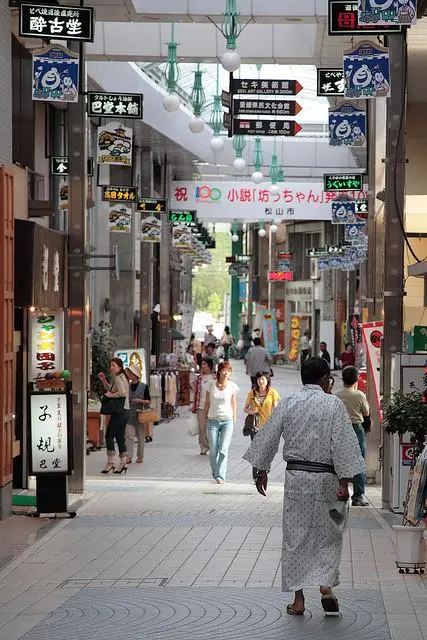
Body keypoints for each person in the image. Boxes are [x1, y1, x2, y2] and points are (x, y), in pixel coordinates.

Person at [243, 357, 364, 616]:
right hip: (329, 481)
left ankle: (298, 601)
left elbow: (268, 436)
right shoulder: (333, 405)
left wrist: (261, 471)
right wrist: (345, 483)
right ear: (325, 380)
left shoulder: (289, 402)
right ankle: (325, 586)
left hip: (297, 480)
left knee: (295, 538)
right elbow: (343, 444)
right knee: (330, 535)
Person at [335, 366, 370, 507]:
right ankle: (358, 496)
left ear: (343, 379)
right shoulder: (359, 395)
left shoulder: (336, 395)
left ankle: (340, 491)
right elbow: (366, 415)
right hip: (356, 429)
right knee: (359, 462)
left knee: (339, 461)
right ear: (356, 379)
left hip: (341, 430)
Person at [203, 361, 239, 484]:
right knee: (213, 450)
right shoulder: (210, 385)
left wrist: (234, 418)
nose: (226, 373)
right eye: (224, 370)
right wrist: (203, 417)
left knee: (223, 449)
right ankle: (215, 471)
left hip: (227, 421)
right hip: (213, 420)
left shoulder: (232, 386)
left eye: (228, 371)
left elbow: (233, 403)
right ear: (219, 371)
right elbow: (207, 402)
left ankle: (221, 475)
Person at [244, 371, 281, 480]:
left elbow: (277, 409)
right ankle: (256, 476)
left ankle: (263, 471)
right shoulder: (252, 393)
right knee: (256, 451)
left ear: (267, 380)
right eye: (259, 379)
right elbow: (245, 408)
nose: (261, 381)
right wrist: (252, 411)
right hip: (255, 427)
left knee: (265, 451)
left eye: (263, 379)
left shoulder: (273, 393)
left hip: (268, 427)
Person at [98, 357, 130, 474]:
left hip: (119, 411)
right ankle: (123, 462)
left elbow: (121, 393)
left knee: (109, 435)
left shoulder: (118, 377)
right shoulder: (123, 377)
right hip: (125, 411)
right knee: (119, 437)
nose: (111, 368)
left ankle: (110, 462)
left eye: (113, 365)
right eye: (110, 365)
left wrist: (110, 396)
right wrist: (104, 381)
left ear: (119, 367)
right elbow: (113, 389)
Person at [124, 364, 151, 464]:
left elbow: (148, 401)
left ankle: (140, 456)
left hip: (140, 414)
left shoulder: (144, 386)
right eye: (129, 372)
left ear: (136, 374)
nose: (129, 375)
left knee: (140, 436)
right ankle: (129, 456)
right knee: (129, 436)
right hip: (129, 414)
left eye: (131, 373)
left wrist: (140, 400)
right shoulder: (127, 386)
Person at [192, 358, 215, 455]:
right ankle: (203, 447)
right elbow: (196, 392)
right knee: (202, 427)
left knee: (210, 427)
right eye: (202, 364)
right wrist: (194, 406)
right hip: (200, 406)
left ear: (210, 366)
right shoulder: (199, 378)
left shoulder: (215, 378)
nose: (203, 366)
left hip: (212, 406)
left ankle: (212, 445)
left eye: (205, 364)